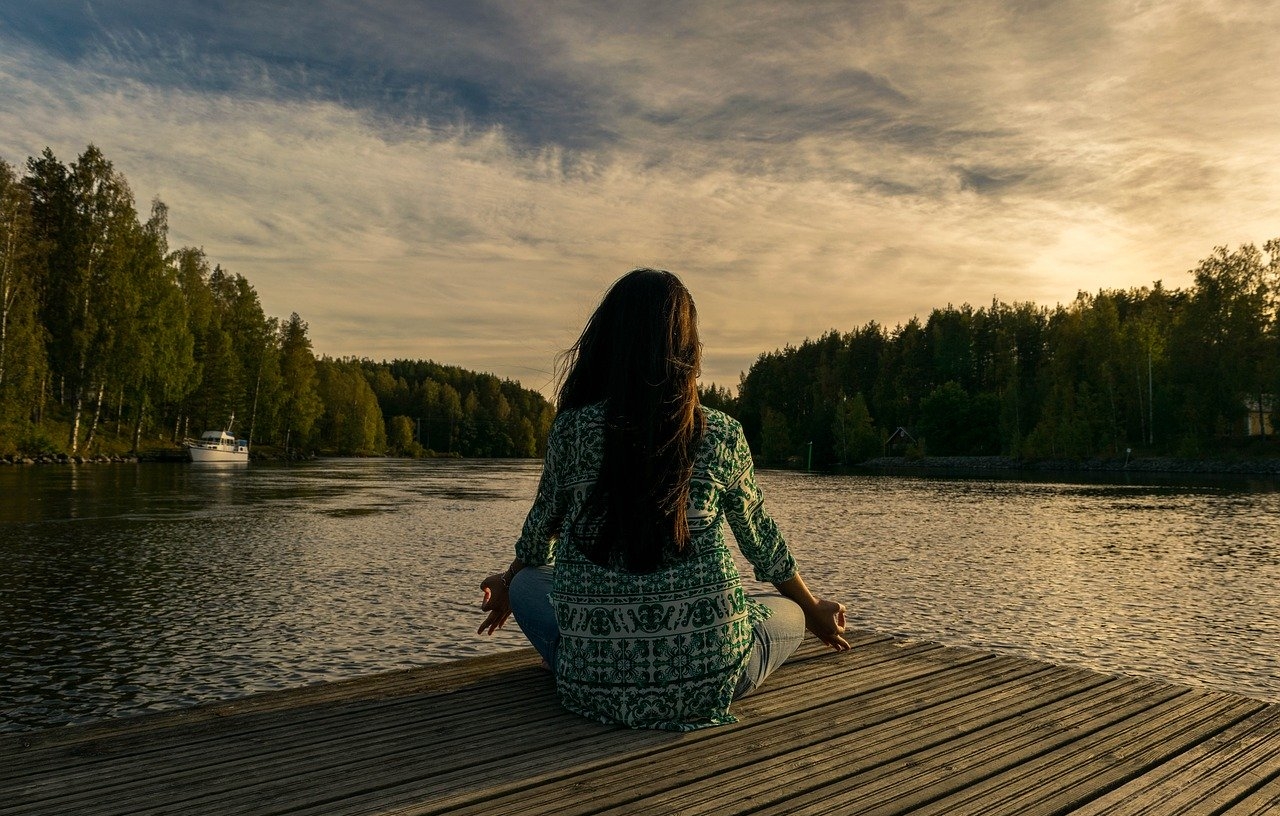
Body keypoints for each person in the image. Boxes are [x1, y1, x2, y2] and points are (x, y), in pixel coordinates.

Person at [477, 268, 848, 731]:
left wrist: (509, 582)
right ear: (688, 349)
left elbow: (537, 539)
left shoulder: (572, 430)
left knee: (531, 582)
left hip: (593, 686)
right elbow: (763, 545)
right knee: (788, 610)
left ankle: (595, 659)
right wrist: (815, 611)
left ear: (607, 343)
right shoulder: (722, 434)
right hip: (712, 679)